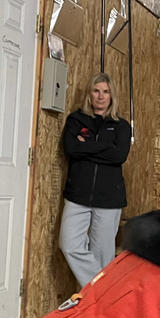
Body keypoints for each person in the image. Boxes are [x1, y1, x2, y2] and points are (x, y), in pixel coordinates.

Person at [59, 73, 132, 288]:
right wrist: (105, 147)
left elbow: (119, 156)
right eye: (96, 91)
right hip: (77, 196)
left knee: (102, 254)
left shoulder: (121, 126)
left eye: (106, 92)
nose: (101, 96)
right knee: (69, 245)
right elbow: (71, 149)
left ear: (112, 96)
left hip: (108, 199)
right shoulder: (76, 120)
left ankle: (96, 306)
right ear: (90, 94)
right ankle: (104, 290)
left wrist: (86, 145)